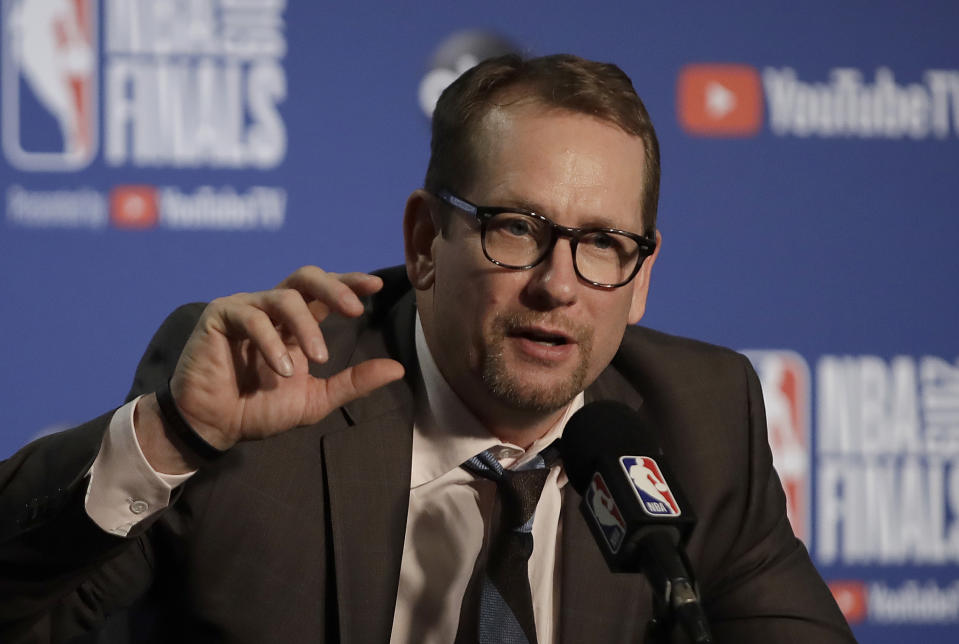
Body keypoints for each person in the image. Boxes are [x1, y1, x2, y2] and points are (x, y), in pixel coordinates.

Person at [0, 54, 855, 643]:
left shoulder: (701, 421)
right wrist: (171, 439)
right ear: (423, 240)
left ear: (641, 275)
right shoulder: (264, 397)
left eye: (601, 244)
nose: (557, 286)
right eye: (516, 228)